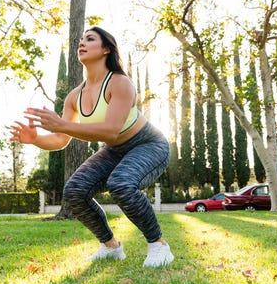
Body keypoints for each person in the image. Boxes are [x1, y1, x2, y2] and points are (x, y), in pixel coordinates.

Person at [10, 26, 174, 267]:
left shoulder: (120, 83)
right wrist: (35, 139)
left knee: (121, 183)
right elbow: (60, 140)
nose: (81, 43)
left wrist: (62, 125)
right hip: (114, 150)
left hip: (148, 144)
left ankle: (159, 245)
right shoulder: (74, 96)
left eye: (89, 39)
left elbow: (110, 130)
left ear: (106, 48)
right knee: (74, 191)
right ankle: (111, 247)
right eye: (80, 40)